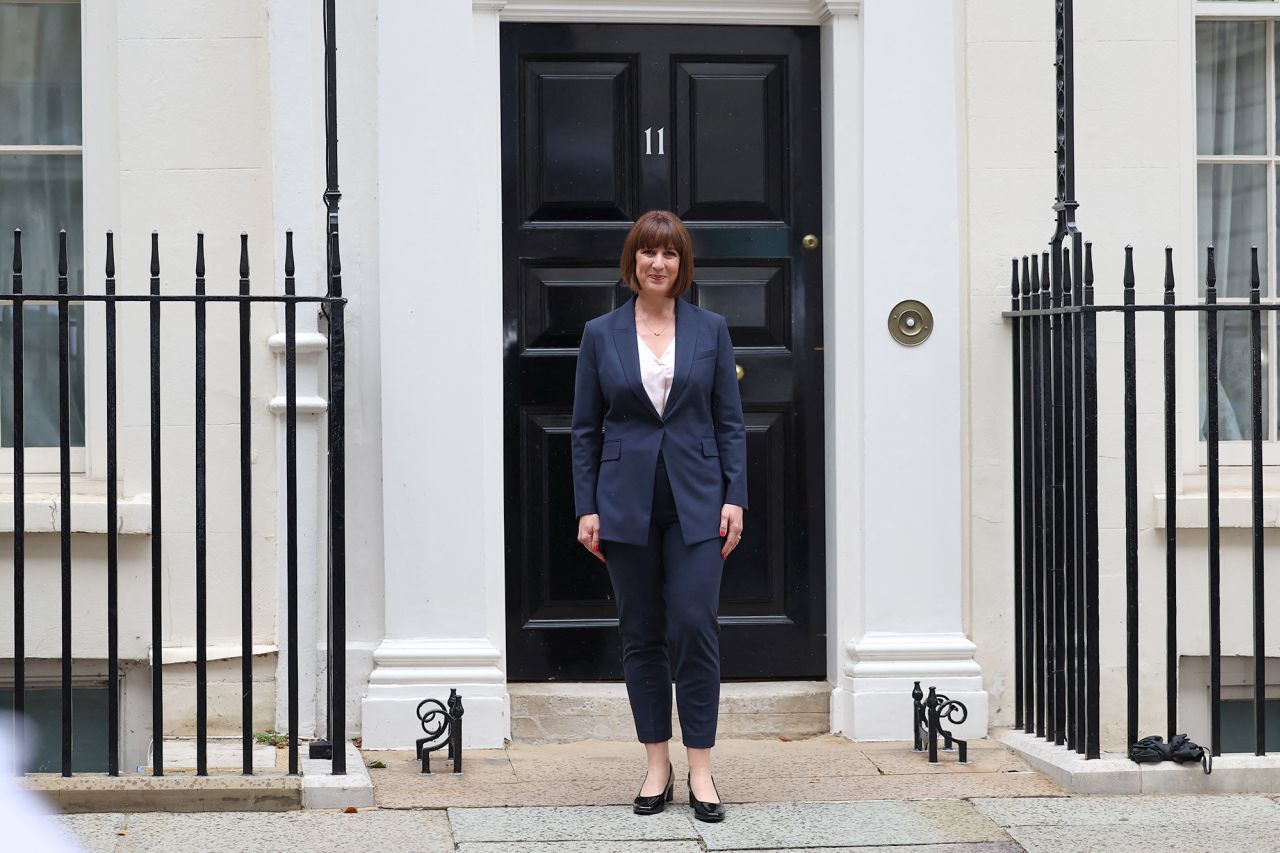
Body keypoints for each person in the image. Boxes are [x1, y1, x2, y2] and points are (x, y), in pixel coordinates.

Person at [571, 210, 747, 823]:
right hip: (624, 503)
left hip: (698, 500)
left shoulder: (711, 329)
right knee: (641, 633)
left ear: (682, 264)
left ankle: (701, 768)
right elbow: (585, 430)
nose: (658, 263)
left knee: (696, 625)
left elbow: (729, 420)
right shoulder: (600, 333)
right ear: (632, 261)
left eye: (669, 254)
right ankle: (656, 763)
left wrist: (735, 496)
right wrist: (587, 507)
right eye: (647, 252)